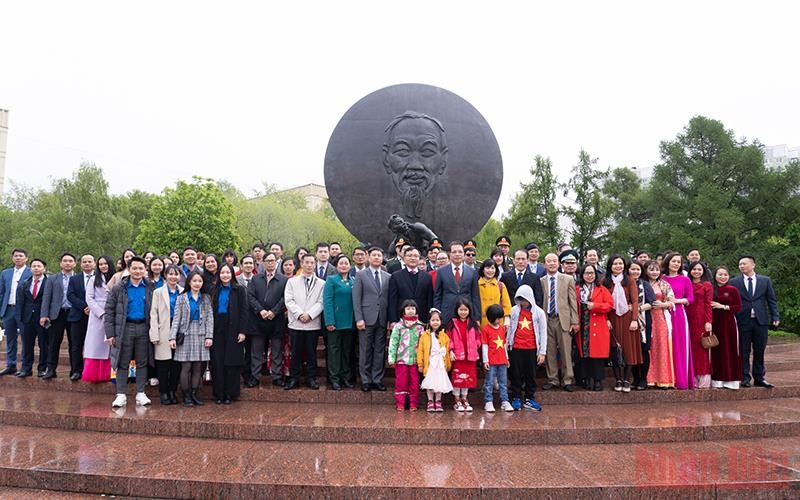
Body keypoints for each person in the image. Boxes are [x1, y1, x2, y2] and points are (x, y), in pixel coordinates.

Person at [104, 256, 154, 408]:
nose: (138, 271)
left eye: (141, 268)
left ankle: (141, 393)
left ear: (145, 270)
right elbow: (109, 310)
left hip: (144, 327)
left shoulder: (150, 287)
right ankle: (120, 395)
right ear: (129, 269)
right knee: (122, 361)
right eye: (134, 268)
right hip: (124, 328)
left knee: (142, 361)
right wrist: (110, 333)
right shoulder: (119, 288)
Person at [731, 255, 779, 388]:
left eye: (744, 264)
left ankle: (759, 377)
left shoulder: (765, 280)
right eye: (740, 264)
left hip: (760, 321)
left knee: (759, 350)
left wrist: (775, 316)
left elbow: (771, 300)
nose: (741, 266)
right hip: (742, 320)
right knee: (743, 350)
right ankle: (744, 377)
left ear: (753, 265)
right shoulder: (734, 282)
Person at [169, 270, 214, 406]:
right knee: (186, 366)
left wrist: (209, 336)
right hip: (185, 334)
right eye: (194, 281)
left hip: (201, 334)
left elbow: (210, 318)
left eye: (200, 281)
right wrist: (172, 337)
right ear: (189, 282)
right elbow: (176, 319)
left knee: (198, 366)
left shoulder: (206, 298)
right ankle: (186, 395)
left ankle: (194, 393)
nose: (197, 283)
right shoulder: (181, 298)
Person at [600, 254, 642, 393]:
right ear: (610, 266)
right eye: (615, 264)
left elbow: (635, 301)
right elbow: (602, 302)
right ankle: (618, 379)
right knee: (615, 349)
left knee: (629, 349)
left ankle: (626, 379)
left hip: (628, 318)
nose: (618, 266)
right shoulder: (604, 281)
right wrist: (606, 319)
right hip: (611, 318)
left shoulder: (629, 280)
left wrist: (634, 319)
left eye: (620, 263)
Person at [246, 252, 288, 387]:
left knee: (276, 350)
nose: (270, 263)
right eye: (268, 261)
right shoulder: (255, 279)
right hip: (258, 319)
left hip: (276, 320)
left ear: (276, 262)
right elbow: (250, 296)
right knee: (256, 351)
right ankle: (255, 376)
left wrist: (274, 312)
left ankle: (276, 376)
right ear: (263, 263)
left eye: (272, 260)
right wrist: (261, 310)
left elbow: (285, 298)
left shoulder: (283, 280)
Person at [353, 246, 391, 392]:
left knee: (380, 350)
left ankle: (377, 379)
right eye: (374, 255)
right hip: (366, 319)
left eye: (379, 255)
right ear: (369, 257)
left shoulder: (387, 276)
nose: (376, 258)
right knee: (365, 350)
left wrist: (389, 319)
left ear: (382, 258)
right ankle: (365, 380)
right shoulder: (361, 275)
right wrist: (359, 318)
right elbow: (356, 298)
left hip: (382, 318)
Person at [284, 254, 325, 390]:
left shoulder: (322, 283)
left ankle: (311, 378)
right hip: (296, 323)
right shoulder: (292, 281)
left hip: (312, 323)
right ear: (301, 264)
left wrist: (310, 314)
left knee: (311, 353)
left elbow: (321, 302)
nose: (309, 265)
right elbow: (289, 300)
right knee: (295, 352)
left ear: (315, 265)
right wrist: (300, 314)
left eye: (312, 263)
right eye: (306, 262)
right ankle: (294, 378)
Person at [540, 253, 579, 392]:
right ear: (544, 264)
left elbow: (572, 301)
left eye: (554, 261)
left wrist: (574, 321)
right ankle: (553, 379)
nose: (552, 263)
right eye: (549, 261)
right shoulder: (541, 280)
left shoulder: (567, 279)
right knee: (549, 351)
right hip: (547, 319)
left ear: (559, 264)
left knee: (566, 351)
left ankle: (567, 379)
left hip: (563, 319)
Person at [209, 263, 247, 404]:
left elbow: (244, 311)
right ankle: (219, 394)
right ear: (218, 274)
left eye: (228, 272)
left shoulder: (239, 290)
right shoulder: (214, 290)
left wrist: (242, 331)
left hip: (234, 328)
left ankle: (230, 394)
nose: (225, 275)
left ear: (232, 274)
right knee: (217, 362)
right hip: (217, 328)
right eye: (222, 272)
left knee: (232, 362)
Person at [507, 284, 546, 411]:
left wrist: (542, 352)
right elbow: (510, 329)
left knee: (531, 374)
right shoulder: (514, 310)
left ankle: (530, 398)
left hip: (532, 348)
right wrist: (507, 346)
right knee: (516, 373)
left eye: (524, 299)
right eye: (520, 299)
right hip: (516, 347)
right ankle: (516, 397)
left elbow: (543, 332)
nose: (522, 302)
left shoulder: (539, 312)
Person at [574, 264, 613, 391]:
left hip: (598, 324)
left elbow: (609, 305)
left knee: (597, 355)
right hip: (583, 324)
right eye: (587, 273)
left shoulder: (602, 289)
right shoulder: (577, 289)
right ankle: (586, 379)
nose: (589, 276)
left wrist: (595, 306)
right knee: (584, 354)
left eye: (592, 273)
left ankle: (597, 380)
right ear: (582, 275)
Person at [40, 252, 77, 380]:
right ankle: (51, 369)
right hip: (57, 314)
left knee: (74, 344)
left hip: (74, 313)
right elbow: (46, 297)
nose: (67, 263)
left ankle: (75, 370)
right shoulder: (52, 278)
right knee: (54, 343)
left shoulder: (78, 278)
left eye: (70, 261)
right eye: (65, 261)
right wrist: (44, 314)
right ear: (60, 263)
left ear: (74, 264)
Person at [149, 263, 182, 404]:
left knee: (176, 364)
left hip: (179, 332)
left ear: (180, 276)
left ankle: (173, 391)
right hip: (163, 330)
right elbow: (153, 314)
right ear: (165, 275)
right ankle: (163, 392)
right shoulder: (158, 292)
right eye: (170, 274)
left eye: (176, 274)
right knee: (163, 364)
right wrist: (154, 334)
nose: (173, 277)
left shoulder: (183, 291)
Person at [661, 251, 695, 390]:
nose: (676, 264)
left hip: (679, 314)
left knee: (680, 346)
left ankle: (681, 380)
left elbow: (691, 299)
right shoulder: (661, 278)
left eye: (678, 262)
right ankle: (666, 379)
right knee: (666, 345)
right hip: (663, 314)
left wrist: (677, 301)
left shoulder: (685, 279)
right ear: (667, 262)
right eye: (673, 261)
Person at [323, 254, 355, 390]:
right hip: (335, 322)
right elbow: (327, 301)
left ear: (350, 266)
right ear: (336, 266)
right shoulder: (331, 280)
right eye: (341, 263)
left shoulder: (354, 281)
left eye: (346, 263)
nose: (343, 265)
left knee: (346, 351)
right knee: (334, 351)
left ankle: (345, 377)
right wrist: (329, 321)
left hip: (350, 321)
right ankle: (334, 378)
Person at [13, 258, 48, 377]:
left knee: (44, 344)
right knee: (27, 345)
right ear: (30, 268)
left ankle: (42, 369)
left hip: (43, 318)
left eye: (39, 266)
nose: (36, 268)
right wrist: (19, 318)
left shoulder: (49, 282)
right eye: (34, 266)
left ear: (44, 268)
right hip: (27, 318)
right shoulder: (25, 283)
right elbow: (20, 301)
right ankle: (26, 368)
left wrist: (47, 315)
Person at [645, 260, 676, 389]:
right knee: (649, 347)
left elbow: (672, 302)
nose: (654, 272)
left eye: (657, 270)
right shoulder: (642, 284)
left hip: (660, 319)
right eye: (651, 269)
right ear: (646, 270)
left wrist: (663, 304)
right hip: (645, 317)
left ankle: (663, 379)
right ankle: (649, 378)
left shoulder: (664, 285)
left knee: (661, 346)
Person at [388, 299, 424, 411]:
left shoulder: (420, 326)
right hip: (401, 359)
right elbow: (393, 343)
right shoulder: (398, 326)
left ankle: (413, 403)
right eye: (408, 308)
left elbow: (423, 345)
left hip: (415, 360)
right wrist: (392, 359)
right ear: (403, 311)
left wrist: (423, 360)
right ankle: (400, 403)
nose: (411, 311)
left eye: (413, 308)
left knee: (414, 382)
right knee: (401, 382)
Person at [0, 248, 32, 376]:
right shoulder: (5, 273)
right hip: (8, 309)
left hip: (24, 310)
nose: (18, 258)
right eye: (16, 256)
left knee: (26, 338)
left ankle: (25, 366)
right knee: (10, 338)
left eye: (21, 256)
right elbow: (1, 292)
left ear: (26, 258)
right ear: (12, 258)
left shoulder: (31, 272)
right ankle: (11, 364)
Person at [82, 255, 114, 383]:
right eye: (101, 264)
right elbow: (89, 298)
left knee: (110, 345)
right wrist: (101, 313)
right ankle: (95, 374)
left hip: (113, 312)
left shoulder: (116, 278)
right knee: (96, 345)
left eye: (105, 264)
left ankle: (110, 374)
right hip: (97, 315)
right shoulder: (93, 279)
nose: (103, 266)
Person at [434, 241, 481, 326]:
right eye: (454, 252)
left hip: (466, 313)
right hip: (447, 314)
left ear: (463, 254)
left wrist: (477, 317)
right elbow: (437, 295)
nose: (457, 254)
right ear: (450, 254)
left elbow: (475, 296)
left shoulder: (472, 272)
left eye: (460, 252)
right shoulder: (441, 271)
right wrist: (437, 315)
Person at [447, 298, 481, 412]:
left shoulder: (473, 323)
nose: (463, 312)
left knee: (467, 379)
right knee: (458, 379)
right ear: (456, 310)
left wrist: (475, 345)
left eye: (465, 310)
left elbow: (478, 337)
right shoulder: (452, 323)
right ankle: (457, 400)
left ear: (469, 310)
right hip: (458, 356)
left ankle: (464, 399)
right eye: (461, 309)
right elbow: (449, 338)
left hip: (470, 357)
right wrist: (451, 350)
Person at [65, 254, 95, 381]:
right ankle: (76, 370)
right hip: (77, 316)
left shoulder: (100, 278)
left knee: (94, 345)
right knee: (76, 345)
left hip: (95, 316)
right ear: (80, 264)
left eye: (89, 261)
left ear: (94, 263)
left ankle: (91, 370)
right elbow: (70, 295)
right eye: (84, 262)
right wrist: (84, 307)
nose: (87, 264)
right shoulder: (74, 279)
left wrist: (93, 308)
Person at [388, 246, 434, 327]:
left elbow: (429, 300)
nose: (413, 258)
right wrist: (393, 320)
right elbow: (392, 300)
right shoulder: (396, 276)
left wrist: (430, 318)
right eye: (409, 256)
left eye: (416, 256)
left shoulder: (427, 277)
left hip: (422, 319)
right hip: (401, 320)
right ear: (404, 258)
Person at [417, 308, 451, 412]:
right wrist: (420, 364)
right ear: (429, 321)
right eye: (433, 320)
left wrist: (448, 364)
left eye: (437, 320)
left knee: (439, 382)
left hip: (440, 363)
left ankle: (438, 401)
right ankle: (430, 400)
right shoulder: (425, 336)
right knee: (430, 382)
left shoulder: (444, 336)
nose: (435, 322)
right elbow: (420, 350)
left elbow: (447, 350)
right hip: (430, 363)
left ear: (441, 321)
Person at [686, 260, 714, 389]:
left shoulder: (707, 285)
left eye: (699, 269)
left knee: (701, 348)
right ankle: (691, 378)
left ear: (703, 271)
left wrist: (708, 321)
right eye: (694, 269)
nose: (696, 271)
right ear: (690, 270)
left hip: (701, 319)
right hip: (687, 318)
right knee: (689, 348)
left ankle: (703, 379)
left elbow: (708, 304)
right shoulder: (687, 283)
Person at [628, 260, 655, 391]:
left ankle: (643, 379)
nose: (635, 272)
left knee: (644, 350)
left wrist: (636, 309)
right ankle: (635, 378)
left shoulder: (645, 285)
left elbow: (651, 303)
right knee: (632, 350)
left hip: (644, 321)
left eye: (638, 269)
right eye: (633, 269)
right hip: (628, 321)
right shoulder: (624, 284)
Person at [481, 304, 513, 412]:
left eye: (501, 318)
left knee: (503, 382)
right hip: (491, 361)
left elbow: (503, 345)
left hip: (502, 360)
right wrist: (485, 360)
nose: (500, 320)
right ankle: (488, 401)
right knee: (489, 382)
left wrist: (507, 358)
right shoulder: (486, 329)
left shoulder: (502, 329)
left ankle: (505, 401)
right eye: (498, 318)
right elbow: (485, 346)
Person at [477, 259, 512, 327]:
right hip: (481, 323)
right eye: (487, 268)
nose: (490, 270)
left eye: (492, 268)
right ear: (483, 270)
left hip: (497, 323)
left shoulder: (501, 285)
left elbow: (506, 304)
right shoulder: (476, 285)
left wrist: (507, 320)